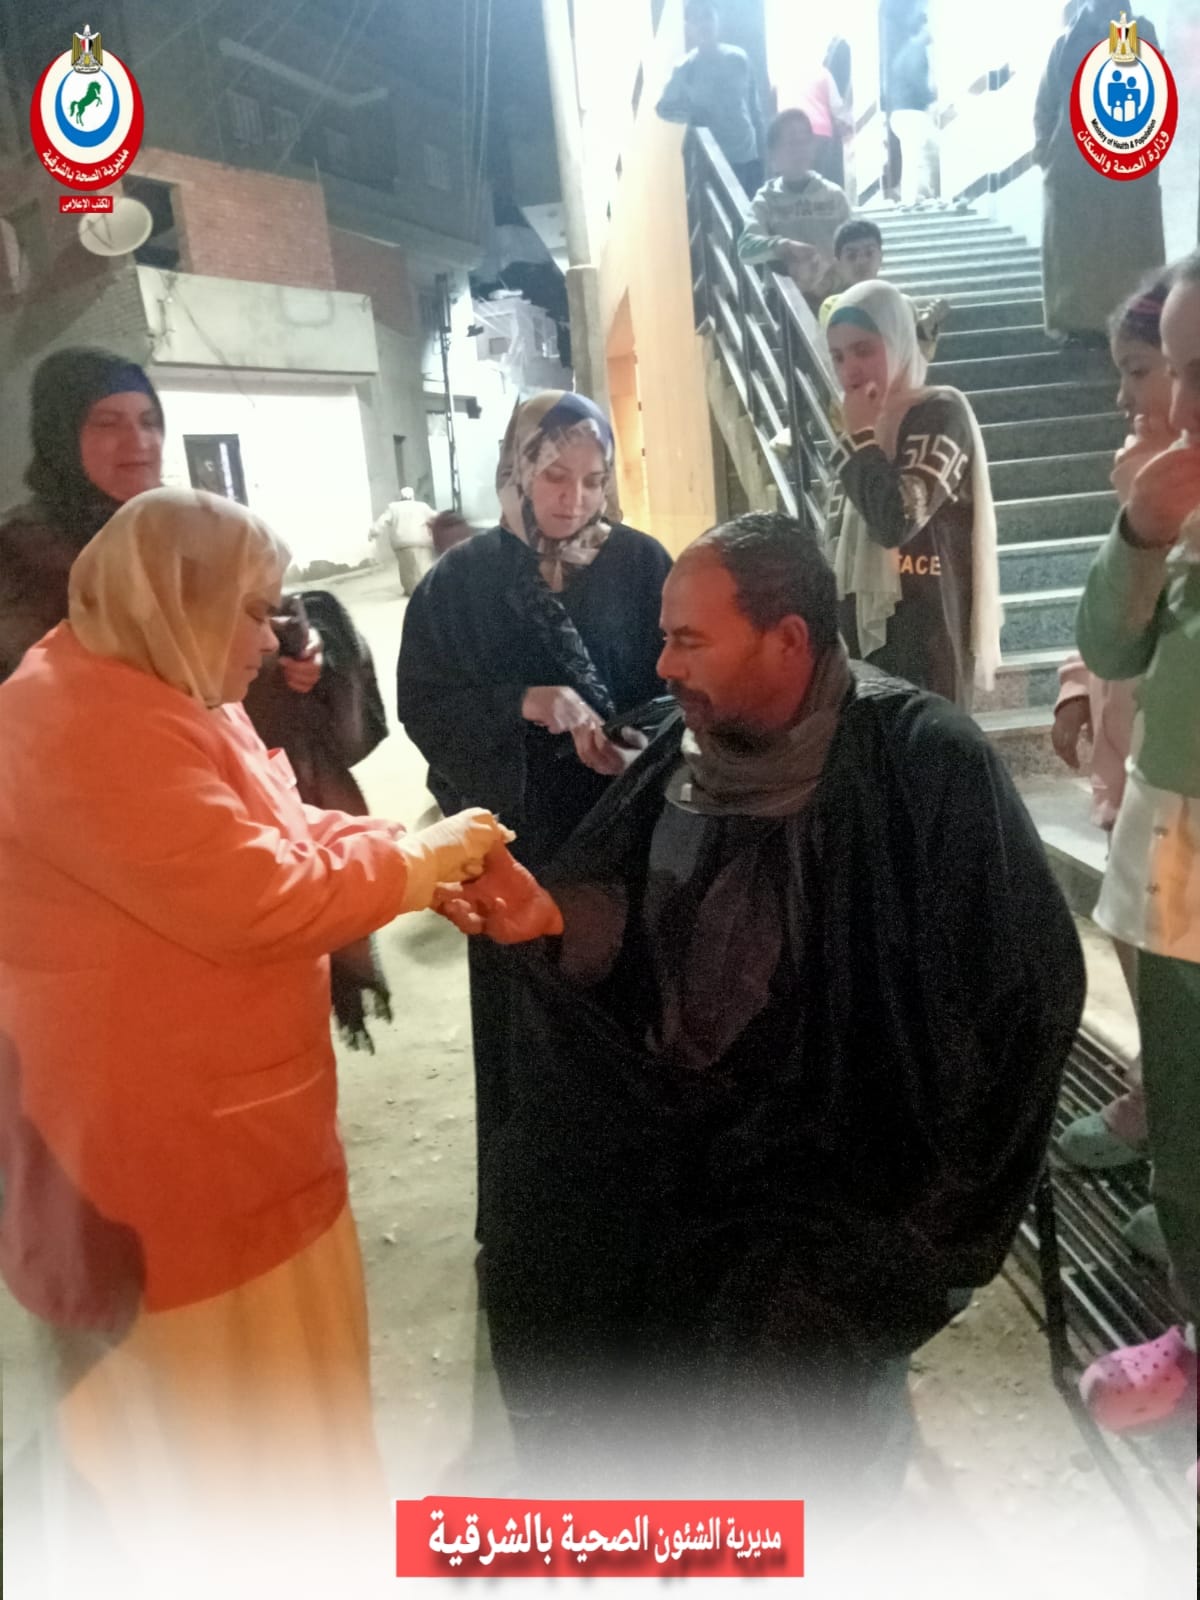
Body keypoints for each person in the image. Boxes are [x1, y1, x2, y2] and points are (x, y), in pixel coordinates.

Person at [446, 510, 1084, 1502]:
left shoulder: (920, 764)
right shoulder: (686, 744)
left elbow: (1020, 1006)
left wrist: (909, 1239)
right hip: (683, 1185)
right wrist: (550, 917)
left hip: (831, 1221)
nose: (662, 666)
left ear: (787, 639)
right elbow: (632, 903)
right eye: (664, 637)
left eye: (689, 640)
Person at [0, 488, 509, 1578]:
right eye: (254, 611)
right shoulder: (81, 724)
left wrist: (404, 850)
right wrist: (419, 863)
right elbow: (261, 895)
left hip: (240, 1142)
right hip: (164, 1179)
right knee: (218, 1461)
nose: (276, 641)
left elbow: (272, 820)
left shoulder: (161, 680)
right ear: (173, 599)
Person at [396, 391, 672, 1247]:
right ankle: (534, 1225)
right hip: (518, 844)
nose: (573, 498)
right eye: (553, 474)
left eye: (592, 478)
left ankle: (637, 1213)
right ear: (515, 468)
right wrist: (525, 702)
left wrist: (637, 742)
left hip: (623, 837)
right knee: (527, 1031)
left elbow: (679, 681)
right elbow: (425, 705)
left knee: (628, 1011)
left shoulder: (640, 565)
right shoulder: (459, 585)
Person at [1073, 253, 1200, 1464]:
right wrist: (1142, 534)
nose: (1184, 402)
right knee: (1189, 1110)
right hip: (1179, 843)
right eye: (1185, 372)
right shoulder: (1170, 504)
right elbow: (1108, 641)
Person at [1055, 277, 1177, 1213]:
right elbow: (1107, 626)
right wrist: (1074, 686)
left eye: (1144, 371)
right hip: (1149, 776)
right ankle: (1159, 1115)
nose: (1128, 394)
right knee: (1146, 957)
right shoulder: (1151, 481)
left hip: (1174, 774)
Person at [0, 347, 323, 694]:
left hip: (215, 724)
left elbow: (246, 600)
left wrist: (296, 645)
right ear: (59, 436)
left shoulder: (185, 522)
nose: (138, 441)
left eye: (149, 422)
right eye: (107, 423)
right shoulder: (16, 554)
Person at [826, 279, 1001, 709]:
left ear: (898, 341)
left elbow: (896, 519)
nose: (850, 369)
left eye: (864, 350)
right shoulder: (862, 427)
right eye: (838, 356)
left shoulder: (940, 412)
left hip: (926, 636)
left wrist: (862, 439)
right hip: (859, 644)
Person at [1034, 2, 1165, 342]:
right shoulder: (1068, 39)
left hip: (1117, 173)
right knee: (1075, 254)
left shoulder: (1130, 30)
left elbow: (1129, 84)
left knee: (1120, 252)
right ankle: (1077, 324)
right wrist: (1048, 153)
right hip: (1071, 168)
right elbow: (1046, 104)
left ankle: (1125, 321)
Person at [738, 110, 852, 307]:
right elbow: (745, 248)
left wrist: (833, 276)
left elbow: (853, 246)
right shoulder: (767, 199)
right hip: (786, 304)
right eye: (791, 143)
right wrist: (783, 246)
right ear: (773, 154)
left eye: (804, 141)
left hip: (834, 299)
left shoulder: (834, 196)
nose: (800, 149)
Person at [656, 1, 765, 199]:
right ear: (689, 27)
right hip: (713, 158)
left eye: (707, 16)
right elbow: (663, 108)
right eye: (696, 19)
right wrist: (692, 114)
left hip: (747, 154)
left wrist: (764, 151)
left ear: (717, 18)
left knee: (751, 212)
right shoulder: (685, 68)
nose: (703, 24)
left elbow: (754, 108)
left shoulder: (738, 58)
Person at [819, 219, 949, 361]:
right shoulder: (831, 306)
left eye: (869, 253)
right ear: (838, 264)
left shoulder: (902, 304)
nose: (861, 261)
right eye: (851, 256)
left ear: (881, 257)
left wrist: (924, 334)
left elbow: (919, 360)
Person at [887, 11, 940, 208]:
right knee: (918, 157)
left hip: (899, 112)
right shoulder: (917, 51)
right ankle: (913, 198)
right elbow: (917, 80)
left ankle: (914, 196)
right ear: (923, 27)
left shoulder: (903, 52)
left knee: (914, 156)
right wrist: (931, 100)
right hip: (912, 112)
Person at [370, 485, 437, 596]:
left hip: (401, 543)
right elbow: (436, 517)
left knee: (406, 568)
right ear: (413, 496)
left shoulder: (393, 507)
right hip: (420, 540)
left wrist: (373, 533)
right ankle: (425, 590)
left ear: (400, 497)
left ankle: (409, 590)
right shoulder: (422, 506)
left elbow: (382, 521)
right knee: (423, 566)